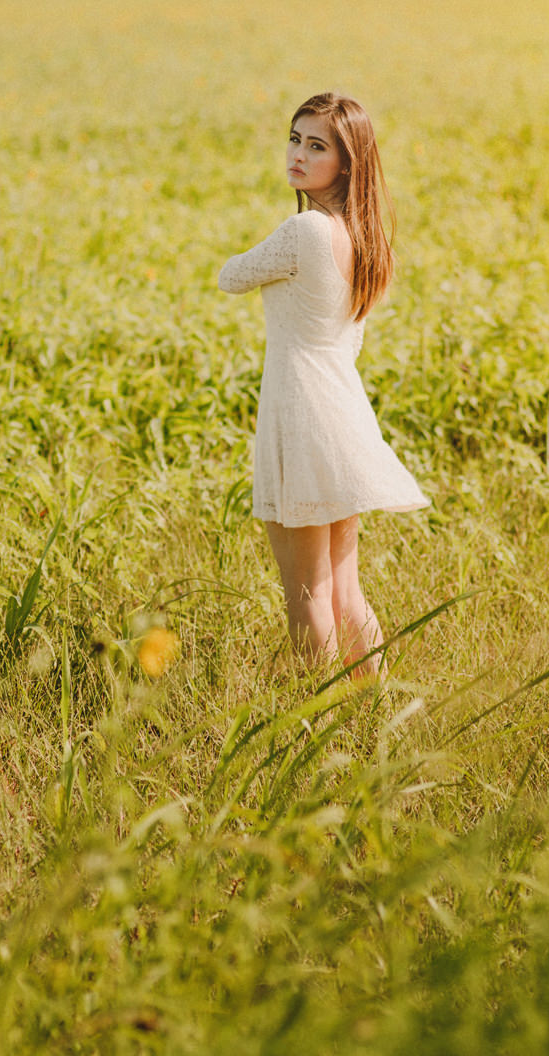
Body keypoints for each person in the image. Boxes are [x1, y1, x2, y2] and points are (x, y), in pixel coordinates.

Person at [218, 92, 428, 678]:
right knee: (342, 583)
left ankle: (327, 720)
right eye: (294, 139)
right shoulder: (367, 239)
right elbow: (351, 339)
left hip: (301, 412)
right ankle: (376, 708)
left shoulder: (307, 229)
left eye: (317, 146)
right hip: (343, 409)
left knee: (307, 591)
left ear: (347, 163)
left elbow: (230, 275)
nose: (298, 155)